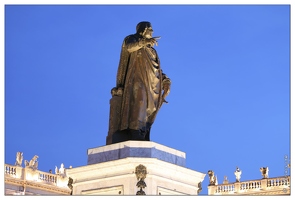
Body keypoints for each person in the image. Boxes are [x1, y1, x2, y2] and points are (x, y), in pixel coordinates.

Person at [111, 21, 171, 143]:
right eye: (150, 29)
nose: (152, 32)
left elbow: (156, 70)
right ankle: (134, 131)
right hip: (137, 79)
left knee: (148, 110)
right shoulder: (132, 39)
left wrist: (165, 80)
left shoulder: (152, 51)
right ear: (143, 30)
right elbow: (129, 47)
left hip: (152, 84)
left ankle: (142, 132)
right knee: (138, 103)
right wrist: (144, 42)